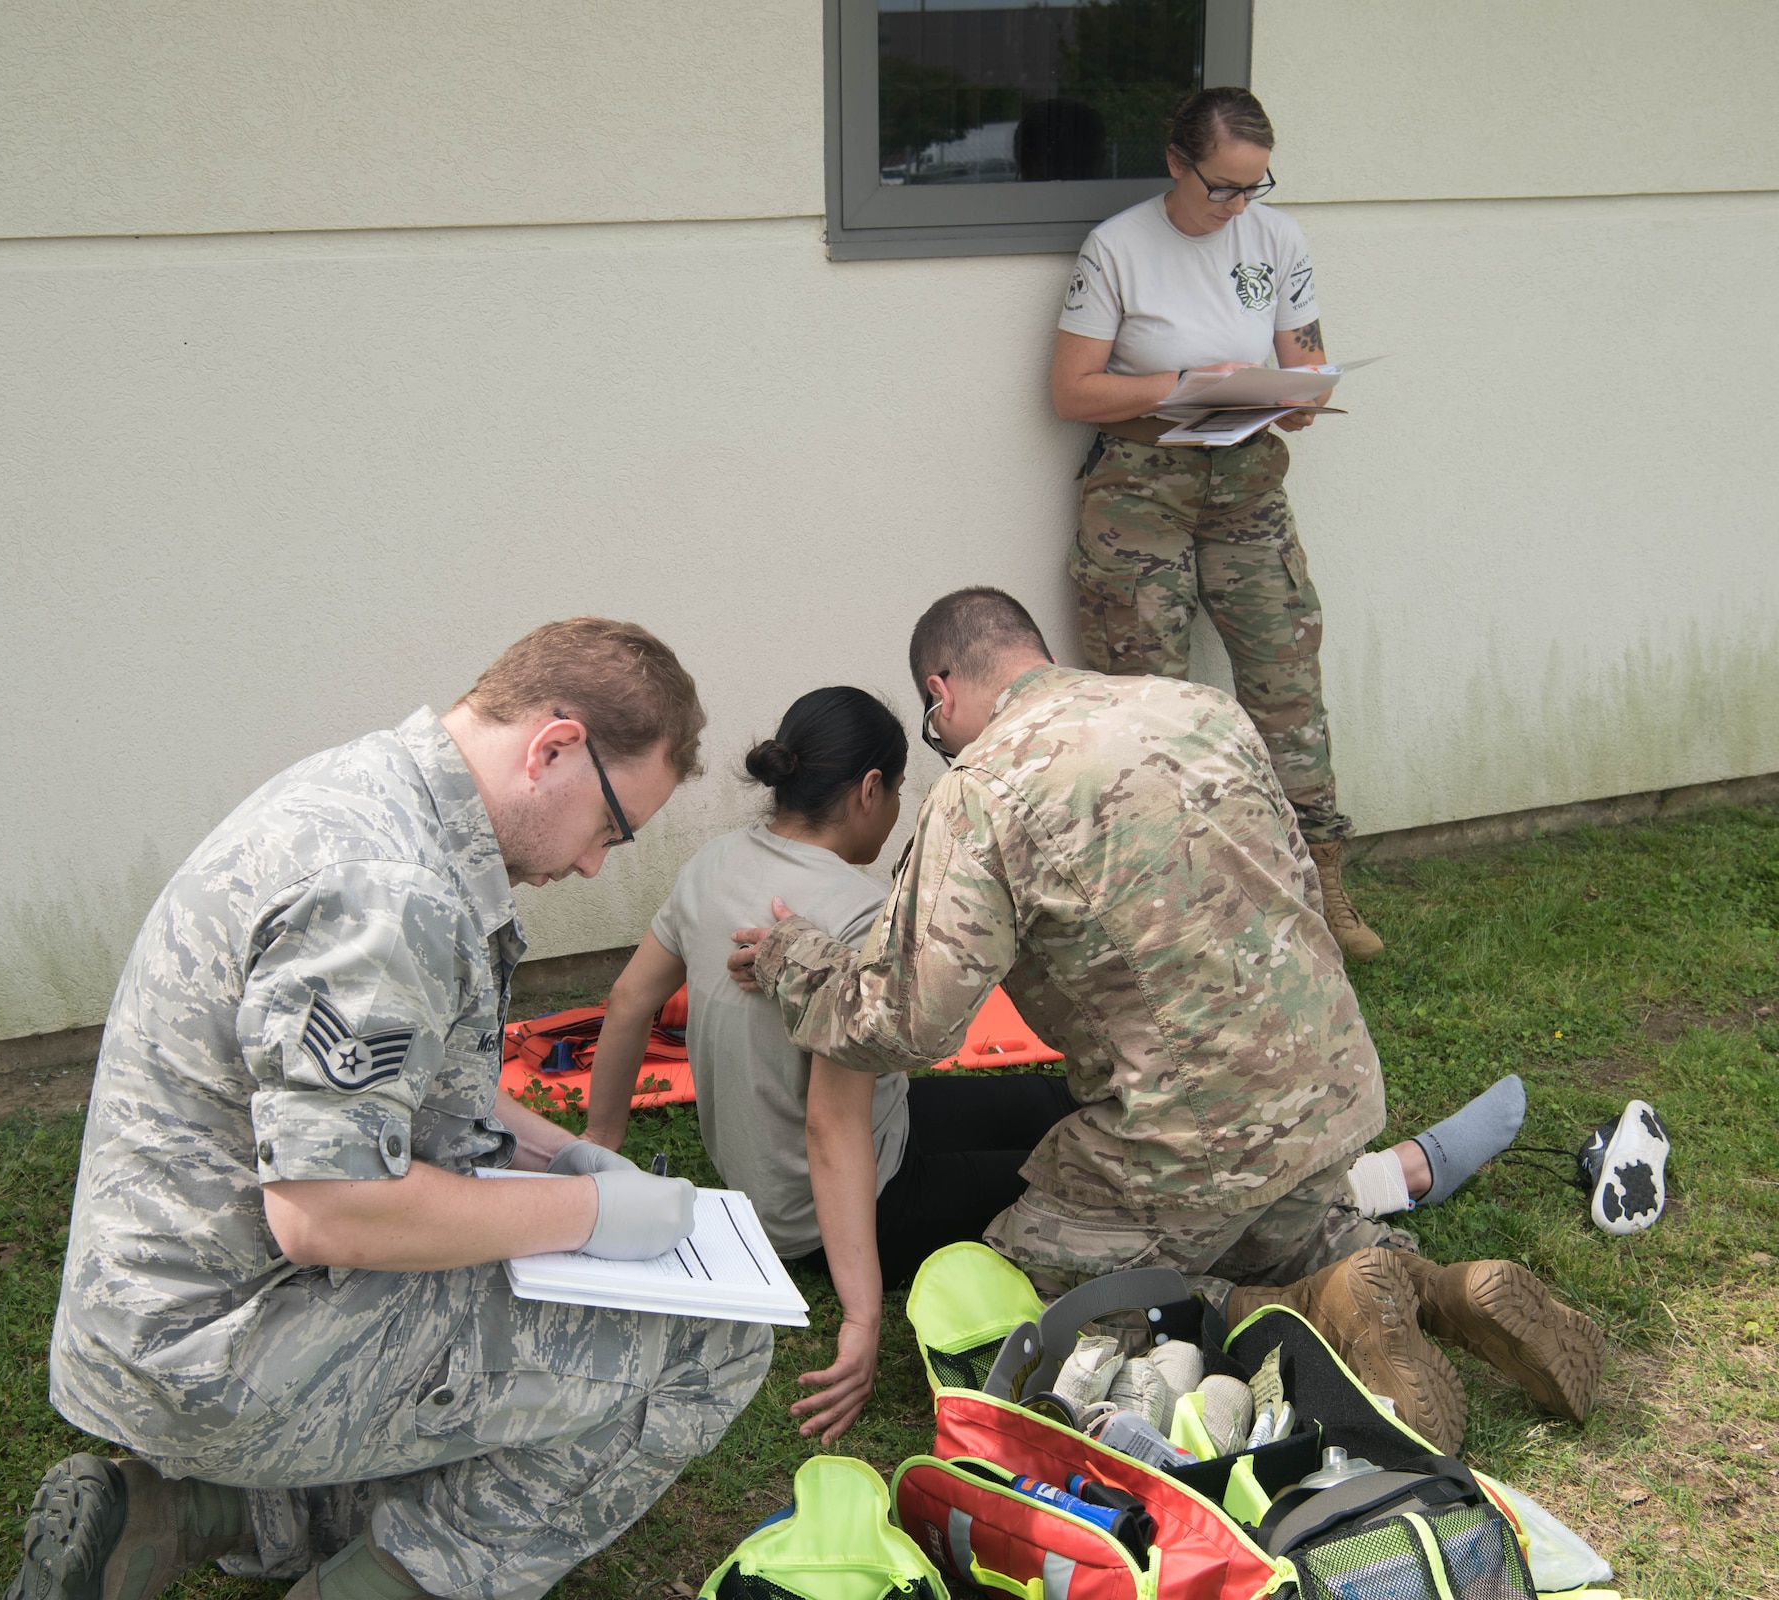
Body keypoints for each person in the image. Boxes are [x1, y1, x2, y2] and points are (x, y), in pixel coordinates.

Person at [727, 589, 1604, 1454]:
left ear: (939, 692)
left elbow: (908, 1024)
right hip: (1329, 1100)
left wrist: (790, 957)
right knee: (1274, 1228)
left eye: (935, 727)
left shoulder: (984, 787)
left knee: (1023, 1283)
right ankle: (1441, 1286)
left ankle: (1288, 1313)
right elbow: (1300, 889)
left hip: (1188, 1146)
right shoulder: (1201, 710)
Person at [6, 620, 772, 1600]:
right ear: (553, 749)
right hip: (220, 1345)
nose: (592, 866)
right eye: (610, 830)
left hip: (179, 1309)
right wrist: (588, 1217)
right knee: (709, 1341)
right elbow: (329, 1210)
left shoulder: (376, 795)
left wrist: (556, 1153)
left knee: (509, 1319)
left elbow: (408, 1079)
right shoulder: (391, 892)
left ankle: (165, 1518)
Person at [585, 687, 1076, 1446]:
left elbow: (625, 1004)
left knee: (1058, 1101)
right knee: (1075, 1171)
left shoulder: (713, 863)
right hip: (832, 1209)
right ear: (869, 789)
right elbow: (829, 1123)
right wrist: (862, 1317)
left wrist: (599, 1148)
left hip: (786, 1170)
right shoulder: (857, 906)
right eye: (900, 789)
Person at [1049, 86, 1383, 960]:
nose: (1238, 206)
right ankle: (1160, 904)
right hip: (1140, 492)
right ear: (1176, 162)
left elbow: (1304, 359)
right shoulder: (1116, 248)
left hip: (1246, 485)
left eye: (1253, 187)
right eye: (1222, 188)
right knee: (1145, 704)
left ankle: (1320, 887)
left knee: (1287, 683)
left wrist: (1299, 396)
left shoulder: (1276, 238)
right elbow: (1070, 389)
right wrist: (1184, 382)